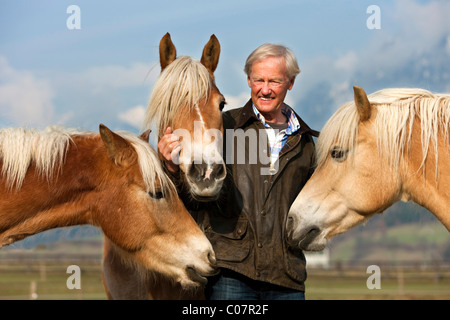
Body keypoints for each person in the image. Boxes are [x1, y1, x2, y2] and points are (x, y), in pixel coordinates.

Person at [158, 43, 318, 300]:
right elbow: (193, 204)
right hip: (230, 276)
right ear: (248, 80)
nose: (265, 89)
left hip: (286, 277)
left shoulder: (306, 143)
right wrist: (171, 168)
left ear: (290, 83)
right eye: (258, 80)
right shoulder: (226, 126)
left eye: (274, 81)